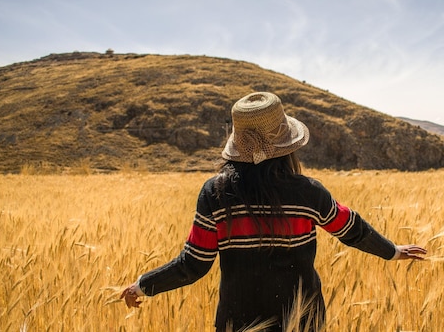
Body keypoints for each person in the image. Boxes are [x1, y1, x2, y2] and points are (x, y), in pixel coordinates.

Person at [121, 92, 427, 331]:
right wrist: (392, 251)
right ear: (287, 144)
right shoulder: (309, 193)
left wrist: (144, 284)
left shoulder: (215, 194)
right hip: (303, 321)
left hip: (237, 322)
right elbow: (352, 229)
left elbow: (193, 265)